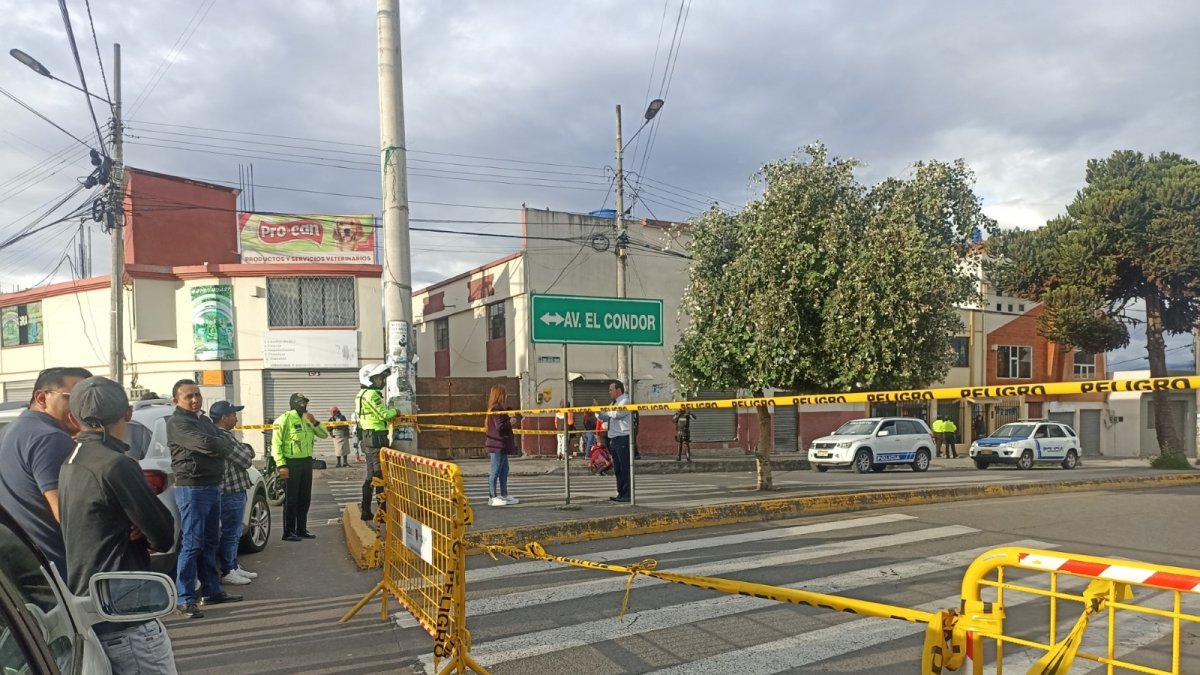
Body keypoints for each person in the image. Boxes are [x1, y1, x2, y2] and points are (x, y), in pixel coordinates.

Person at [58, 376, 178, 673]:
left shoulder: (71, 461)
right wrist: (139, 526)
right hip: (126, 613)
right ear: (128, 412)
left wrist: (134, 524)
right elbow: (163, 535)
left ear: (73, 418)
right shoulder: (117, 464)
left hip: (91, 605)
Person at [0, 366, 92, 578]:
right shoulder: (50, 438)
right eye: (75, 398)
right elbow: (69, 515)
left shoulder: (8, 432)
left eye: (88, 399)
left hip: (20, 568)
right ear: (42, 398)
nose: (84, 407)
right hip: (58, 571)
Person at [167, 379, 241, 619]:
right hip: (193, 488)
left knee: (211, 541)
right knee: (192, 544)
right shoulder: (178, 423)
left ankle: (211, 591)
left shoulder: (203, 420)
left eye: (197, 395)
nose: (195, 399)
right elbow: (208, 444)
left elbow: (221, 441)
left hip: (212, 485)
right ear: (176, 400)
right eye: (188, 396)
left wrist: (218, 444)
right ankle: (185, 598)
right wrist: (218, 444)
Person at [210, 401, 256, 585]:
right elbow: (246, 459)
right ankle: (228, 570)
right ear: (224, 418)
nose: (236, 418)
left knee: (234, 532)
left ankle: (233, 565)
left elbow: (247, 451)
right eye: (233, 415)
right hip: (230, 491)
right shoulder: (223, 437)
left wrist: (247, 449)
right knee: (231, 532)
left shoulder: (225, 435)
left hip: (233, 490)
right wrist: (247, 450)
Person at [272, 393, 327, 542]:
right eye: (300, 402)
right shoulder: (284, 419)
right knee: (291, 499)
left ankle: (301, 529)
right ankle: (288, 531)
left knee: (305, 498)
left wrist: (314, 422)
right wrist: (281, 465)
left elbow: (324, 435)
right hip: (291, 463)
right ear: (293, 403)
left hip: (306, 462)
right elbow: (276, 444)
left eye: (305, 402)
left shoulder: (307, 419)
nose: (303, 405)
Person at [356, 364, 398, 522]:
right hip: (376, 438)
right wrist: (397, 411)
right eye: (378, 378)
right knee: (378, 476)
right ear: (369, 379)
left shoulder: (361, 394)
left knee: (371, 475)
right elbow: (384, 414)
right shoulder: (372, 395)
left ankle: (367, 510)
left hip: (368, 437)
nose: (381, 381)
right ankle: (381, 513)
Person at [597, 381, 632, 503]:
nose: (609, 392)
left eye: (611, 390)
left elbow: (617, 414)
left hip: (623, 437)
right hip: (613, 438)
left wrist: (607, 411)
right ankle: (620, 493)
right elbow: (604, 417)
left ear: (618, 390)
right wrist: (597, 411)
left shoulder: (625, 401)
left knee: (624, 467)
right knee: (617, 469)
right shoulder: (613, 403)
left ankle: (627, 494)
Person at [484, 385, 518, 506]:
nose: (506, 396)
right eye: (504, 393)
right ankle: (492, 497)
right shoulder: (496, 408)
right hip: (497, 445)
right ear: (499, 395)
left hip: (501, 445)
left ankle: (504, 494)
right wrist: (510, 422)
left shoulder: (497, 408)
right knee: (495, 471)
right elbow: (500, 426)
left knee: (504, 470)